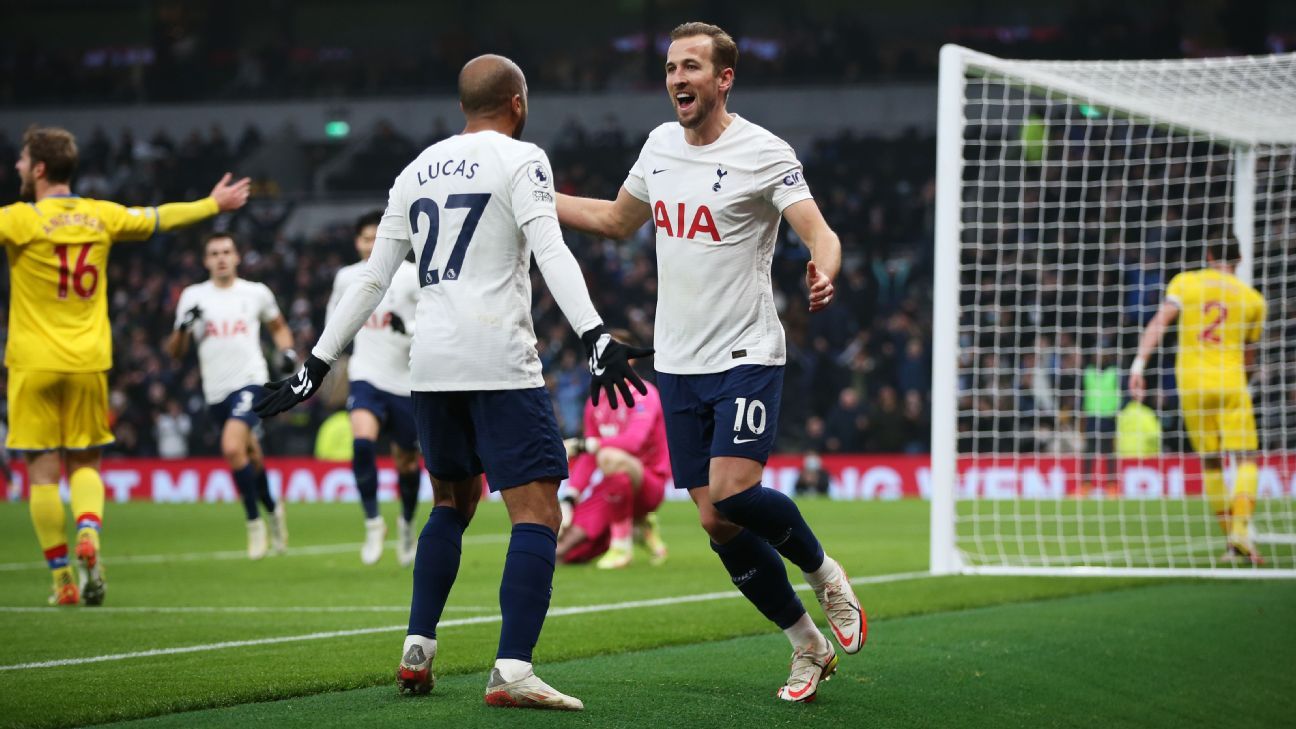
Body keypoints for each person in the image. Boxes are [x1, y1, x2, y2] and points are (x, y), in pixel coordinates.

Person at [254, 54, 649, 711]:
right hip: (496, 355)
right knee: (539, 511)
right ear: (517, 103)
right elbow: (551, 248)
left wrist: (315, 365)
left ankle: (418, 648)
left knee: (451, 503)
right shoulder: (522, 159)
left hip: (430, 367)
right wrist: (595, 334)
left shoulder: (414, 170)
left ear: (463, 105)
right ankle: (514, 668)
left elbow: (373, 278)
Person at [555, 22, 864, 702]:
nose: (677, 79)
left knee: (732, 493)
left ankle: (825, 573)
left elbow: (821, 231)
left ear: (723, 79)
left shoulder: (763, 151)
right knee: (716, 521)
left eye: (691, 67)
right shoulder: (660, 146)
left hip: (748, 350)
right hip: (679, 363)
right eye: (670, 68)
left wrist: (824, 268)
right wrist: (534, 200)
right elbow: (613, 219)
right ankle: (806, 645)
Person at [1, 125, 249, 606]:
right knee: (86, 462)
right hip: (88, 362)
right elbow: (160, 218)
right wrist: (211, 205)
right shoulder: (102, 216)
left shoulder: (20, 220)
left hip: (32, 363)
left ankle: (62, 582)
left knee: (44, 474)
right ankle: (89, 532)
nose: (15, 166)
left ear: (39, 169)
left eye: (21, 159)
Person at [1130, 236, 1267, 564]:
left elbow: (1159, 322)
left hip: (1191, 383)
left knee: (1210, 459)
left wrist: (1138, 364)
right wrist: (1244, 385)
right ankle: (1240, 531)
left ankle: (1231, 544)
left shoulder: (1186, 283)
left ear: (1208, 255)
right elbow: (1249, 357)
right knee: (1246, 457)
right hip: (1230, 381)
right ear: (1241, 258)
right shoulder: (1253, 300)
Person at [166, 232, 293, 560]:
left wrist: (287, 351)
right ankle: (273, 511)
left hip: (252, 382)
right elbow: (175, 353)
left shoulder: (255, 293)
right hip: (215, 393)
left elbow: (278, 325)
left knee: (231, 446)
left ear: (237, 256)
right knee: (250, 455)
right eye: (214, 253)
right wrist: (183, 327)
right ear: (205, 260)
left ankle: (254, 525)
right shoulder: (193, 297)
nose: (221, 257)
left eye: (227, 251)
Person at [328, 210, 423, 566]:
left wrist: (408, 328)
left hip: (407, 380)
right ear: (357, 242)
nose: (372, 244)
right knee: (362, 441)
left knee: (407, 464)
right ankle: (372, 522)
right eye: (366, 238)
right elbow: (334, 322)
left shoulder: (413, 276)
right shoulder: (347, 278)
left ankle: (408, 524)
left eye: (378, 238)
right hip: (365, 374)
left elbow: (433, 319)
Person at [556, 330, 670, 569]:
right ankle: (638, 524)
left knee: (609, 456)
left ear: (630, 358)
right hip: (612, 485)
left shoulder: (643, 393)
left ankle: (621, 546)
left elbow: (633, 442)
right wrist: (569, 498)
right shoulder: (595, 401)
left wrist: (585, 444)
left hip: (648, 482)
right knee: (564, 551)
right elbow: (588, 459)